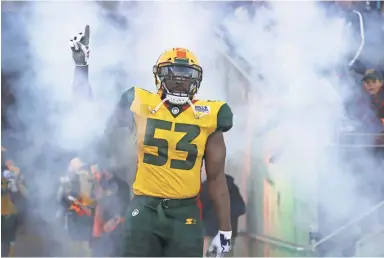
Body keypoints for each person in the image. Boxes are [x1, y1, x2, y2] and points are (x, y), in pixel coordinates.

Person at [69, 25, 234, 257]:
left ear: (196, 79)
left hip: (185, 212)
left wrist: (225, 230)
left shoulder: (210, 114)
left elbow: (217, 177)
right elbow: (88, 119)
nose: (179, 81)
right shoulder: (140, 103)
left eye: (186, 75)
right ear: (159, 76)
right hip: (145, 210)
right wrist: (80, 67)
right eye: (172, 74)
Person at [200, 173, 246, 257]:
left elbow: (200, 209)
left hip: (211, 232)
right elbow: (241, 209)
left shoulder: (206, 187)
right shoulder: (233, 188)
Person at [1, 147, 28, 257]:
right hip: (7, 212)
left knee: (5, 245)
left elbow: (23, 194)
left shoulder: (11, 174)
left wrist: (15, 180)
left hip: (7, 213)